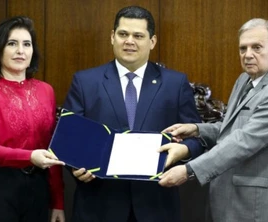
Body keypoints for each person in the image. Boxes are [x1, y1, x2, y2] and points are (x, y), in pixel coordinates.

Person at [63, 5, 204, 222]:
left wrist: (183, 150)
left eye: (138, 35)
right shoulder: (85, 82)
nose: (130, 41)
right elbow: (69, 138)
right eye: (123, 34)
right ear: (112, 37)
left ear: (152, 41)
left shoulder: (175, 84)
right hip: (99, 205)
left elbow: (196, 138)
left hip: (156, 205)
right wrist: (76, 165)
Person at [159, 18, 268, 222]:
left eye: (256, 47)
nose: (248, 54)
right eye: (243, 48)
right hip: (227, 198)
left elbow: (245, 140)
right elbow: (233, 128)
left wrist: (190, 170)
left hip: (259, 206)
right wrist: (197, 129)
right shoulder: (244, 80)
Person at [0, 16, 66, 222]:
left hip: (38, 185)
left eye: (27, 44)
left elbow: (52, 148)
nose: (20, 51)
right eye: (12, 43)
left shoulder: (46, 91)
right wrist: (30, 156)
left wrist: (58, 201)